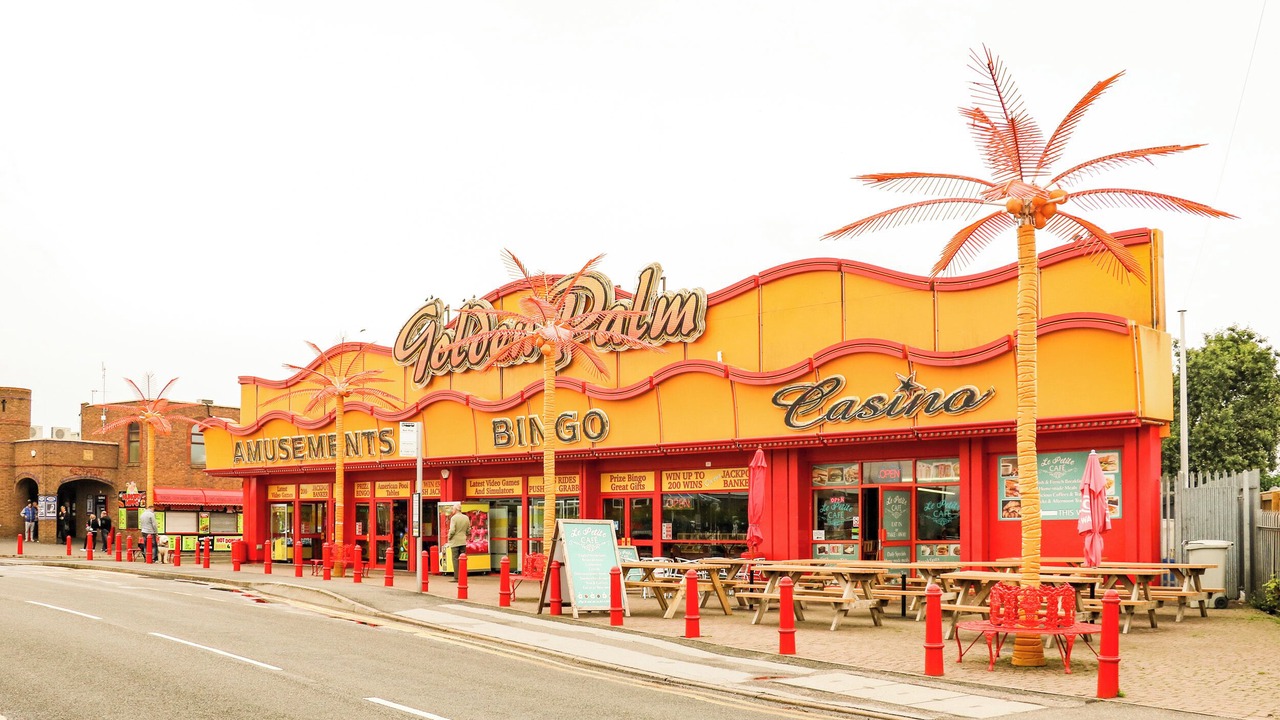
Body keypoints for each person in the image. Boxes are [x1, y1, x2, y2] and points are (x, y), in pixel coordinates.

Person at [446, 509, 470, 581]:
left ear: (456, 510)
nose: (452, 510)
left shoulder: (454, 518)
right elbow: (468, 530)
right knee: (463, 559)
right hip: (463, 541)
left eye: (453, 509)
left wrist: (449, 537)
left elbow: (452, 530)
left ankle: (456, 577)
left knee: (455, 559)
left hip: (455, 542)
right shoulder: (466, 517)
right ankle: (463, 575)